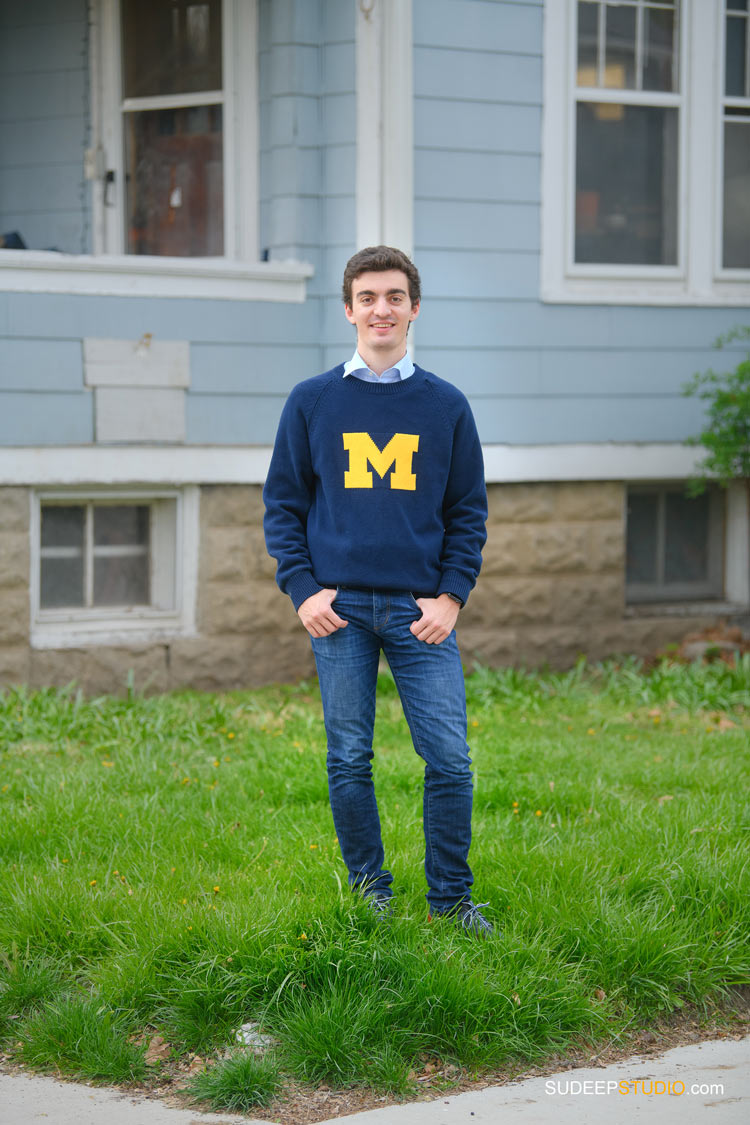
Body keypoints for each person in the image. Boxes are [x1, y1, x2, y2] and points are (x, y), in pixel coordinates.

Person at [263, 246, 492, 936]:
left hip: (422, 613)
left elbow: (467, 511)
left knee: (449, 757)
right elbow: (283, 503)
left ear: (414, 308)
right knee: (348, 755)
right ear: (349, 309)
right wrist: (303, 590)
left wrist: (451, 597)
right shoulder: (313, 400)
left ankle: (450, 900)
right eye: (368, 297)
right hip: (340, 614)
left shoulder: (446, 405)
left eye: (394, 296)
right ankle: (371, 892)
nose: (381, 309)